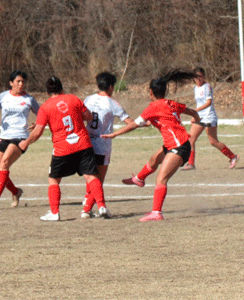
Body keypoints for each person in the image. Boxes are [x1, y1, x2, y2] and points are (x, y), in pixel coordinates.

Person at [103, 71, 201, 222]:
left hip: (179, 147)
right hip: (175, 144)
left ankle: (156, 212)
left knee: (161, 179)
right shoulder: (170, 103)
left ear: (151, 92)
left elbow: (135, 124)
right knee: (154, 159)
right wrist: (196, 119)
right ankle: (139, 179)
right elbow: (192, 112)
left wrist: (115, 134)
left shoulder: (154, 106)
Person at [18, 76, 111, 221]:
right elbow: (89, 117)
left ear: (48, 92)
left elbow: (38, 132)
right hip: (83, 144)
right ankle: (101, 206)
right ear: (62, 88)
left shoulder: (46, 107)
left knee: (54, 180)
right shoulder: (73, 99)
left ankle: (54, 212)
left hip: (62, 148)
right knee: (91, 176)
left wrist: (26, 142)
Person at [81, 72, 134, 218]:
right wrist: (144, 122)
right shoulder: (113, 104)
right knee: (99, 180)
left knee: (92, 176)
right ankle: (87, 208)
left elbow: (80, 116)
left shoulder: (88, 99)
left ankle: (87, 207)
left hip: (87, 141)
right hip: (102, 144)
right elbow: (130, 122)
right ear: (111, 87)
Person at [0, 70, 40, 209]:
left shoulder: (29, 99)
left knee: (4, 163)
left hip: (20, 137)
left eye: (23, 81)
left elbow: (41, 114)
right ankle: (16, 192)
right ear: (11, 83)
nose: (21, 84)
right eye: (18, 81)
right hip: (4, 137)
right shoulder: (3, 96)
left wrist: (37, 123)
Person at [181, 67, 239, 170]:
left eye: (201, 76)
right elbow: (200, 102)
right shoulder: (195, 88)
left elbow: (208, 103)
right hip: (200, 117)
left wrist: (195, 111)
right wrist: (195, 116)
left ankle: (233, 156)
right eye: (197, 77)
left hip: (209, 117)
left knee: (213, 142)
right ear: (193, 78)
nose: (199, 79)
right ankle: (191, 164)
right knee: (191, 140)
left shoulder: (207, 86)